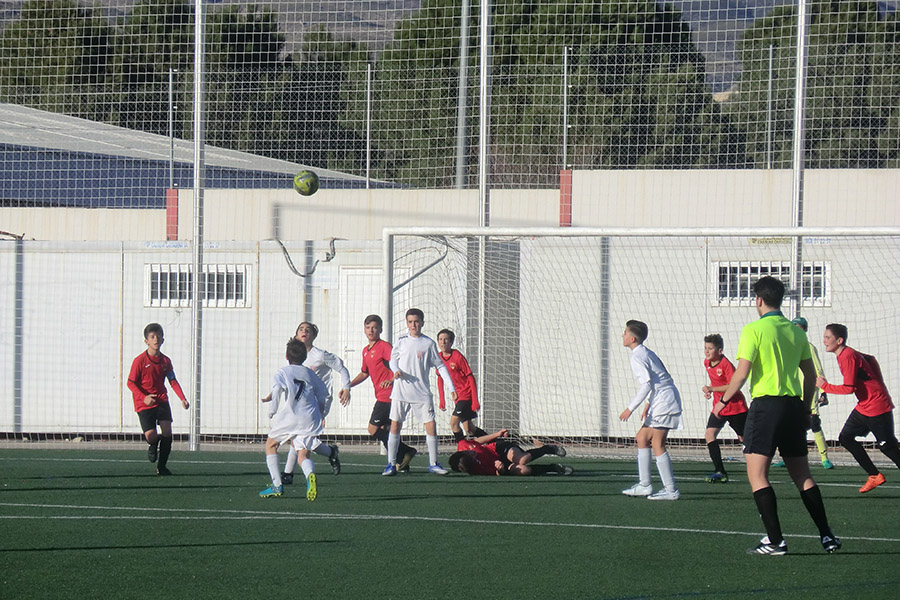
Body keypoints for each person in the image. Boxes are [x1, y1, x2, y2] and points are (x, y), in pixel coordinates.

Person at [716, 276, 840, 555]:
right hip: (793, 407)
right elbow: (811, 376)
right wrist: (806, 408)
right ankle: (827, 535)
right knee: (803, 475)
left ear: (759, 300)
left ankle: (775, 541)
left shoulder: (754, 329)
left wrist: (722, 402)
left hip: (766, 408)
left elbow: (742, 373)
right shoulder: (797, 332)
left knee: (758, 475)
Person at [817, 323, 900, 493]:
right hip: (865, 406)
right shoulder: (848, 354)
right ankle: (874, 475)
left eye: (828, 337)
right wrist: (877, 383)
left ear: (839, 341)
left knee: (888, 447)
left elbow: (849, 388)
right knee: (845, 437)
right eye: (824, 337)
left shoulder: (847, 356)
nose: (824, 341)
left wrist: (825, 386)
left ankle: (875, 474)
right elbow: (871, 359)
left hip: (877, 407)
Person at [382, 308, 457, 476]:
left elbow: (440, 366)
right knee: (395, 425)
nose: (413, 325)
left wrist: (451, 388)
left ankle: (434, 463)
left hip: (421, 393)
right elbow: (393, 361)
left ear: (422, 323)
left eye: (416, 321)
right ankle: (391, 464)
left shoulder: (428, 344)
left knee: (430, 425)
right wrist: (395, 370)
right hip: (401, 391)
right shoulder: (401, 341)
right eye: (410, 322)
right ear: (407, 323)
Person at [259, 338, 334, 501]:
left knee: (271, 445)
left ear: (286, 356)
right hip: (309, 418)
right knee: (303, 456)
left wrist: (272, 410)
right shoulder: (310, 373)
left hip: (290, 417)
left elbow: (277, 389)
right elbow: (323, 394)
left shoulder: (283, 372)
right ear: (305, 357)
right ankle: (310, 474)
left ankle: (277, 485)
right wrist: (321, 412)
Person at [619, 320, 682, 501]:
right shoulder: (645, 352)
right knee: (642, 437)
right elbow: (657, 379)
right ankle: (644, 485)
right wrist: (649, 404)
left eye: (625, 333)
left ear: (632, 338)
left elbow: (647, 384)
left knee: (657, 443)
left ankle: (671, 490)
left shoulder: (637, 356)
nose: (622, 335)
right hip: (660, 399)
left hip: (665, 401)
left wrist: (630, 408)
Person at [349, 314, 418, 472]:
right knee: (385, 429)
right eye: (368, 327)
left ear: (380, 329)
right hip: (381, 394)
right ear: (364, 329)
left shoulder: (384, 347)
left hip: (388, 395)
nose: (371, 331)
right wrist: (348, 385)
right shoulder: (365, 351)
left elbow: (397, 364)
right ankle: (401, 462)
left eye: (374, 327)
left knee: (373, 429)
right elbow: (365, 373)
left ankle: (406, 451)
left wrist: (392, 379)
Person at [280, 321, 346, 484]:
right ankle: (330, 452)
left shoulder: (320, 355)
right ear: (296, 335)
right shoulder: (294, 356)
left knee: (302, 442)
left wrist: (347, 388)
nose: (304, 332)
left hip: (317, 402)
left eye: (308, 330)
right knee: (300, 438)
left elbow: (341, 368)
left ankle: (289, 474)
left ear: (314, 336)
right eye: (301, 329)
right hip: (300, 403)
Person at [126, 323, 190, 476]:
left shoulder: (166, 361)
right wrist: (144, 397)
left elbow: (172, 380)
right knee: (151, 436)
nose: (156, 339)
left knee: (167, 431)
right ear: (146, 341)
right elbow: (130, 383)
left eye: (158, 336)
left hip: (161, 399)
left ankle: (162, 467)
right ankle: (153, 444)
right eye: (152, 337)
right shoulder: (139, 361)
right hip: (144, 403)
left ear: (163, 340)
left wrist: (182, 398)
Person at [701, 333, 749, 483]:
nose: (707, 351)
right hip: (719, 407)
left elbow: (732, 386)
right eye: (705, 348)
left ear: (720, 351)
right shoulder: (707, 363)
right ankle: (720, 471)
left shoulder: (726, 365)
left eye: (710, 349)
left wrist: (712, 388)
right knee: (709, 434)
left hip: (735, 407)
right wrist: (710, 391)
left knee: (744, 438)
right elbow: (716, 381)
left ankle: (757, 464)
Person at [791, 317, 833, 470]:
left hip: (809, 390)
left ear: (804, 330)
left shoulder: (809, 347)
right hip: (793, 390)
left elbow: (818, 369)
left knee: (814, 422)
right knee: (791, 424)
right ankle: (790, 455)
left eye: (799, 327)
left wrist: (823, 391)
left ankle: (824, 457)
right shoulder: (789, 346)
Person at [448, 428, 573, 476]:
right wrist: (500, 469)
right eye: (473, 457)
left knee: (522, 459)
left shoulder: (463, 445)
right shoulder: (476, 470)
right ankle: (553, 468)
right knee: (524, 470)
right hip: (500, 463)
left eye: (470, 453)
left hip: (498, 448)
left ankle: (548, 448)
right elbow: (497, 473)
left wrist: (497, 434)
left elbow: (478, 441)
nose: (473, 453)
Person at [436, 328, 488, 443]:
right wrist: (442, 400)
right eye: (440, 339)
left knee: (454, 423)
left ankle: (461, 447)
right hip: (457, 397)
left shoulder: (457, 356)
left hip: (466, 395)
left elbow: (470, 377)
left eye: (446, 339)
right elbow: (440, 379)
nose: (443, 342)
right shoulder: (438, 358)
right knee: (469, 428)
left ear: (451, 342)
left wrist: (475, 400)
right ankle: (494, 443)